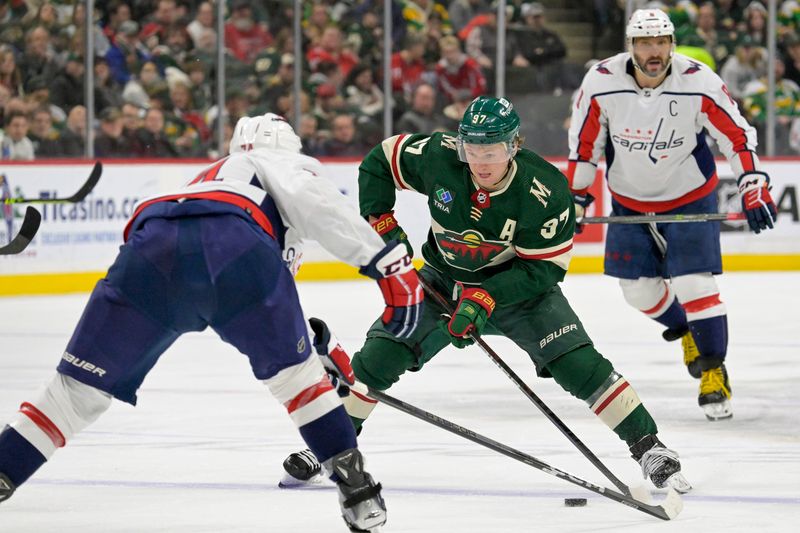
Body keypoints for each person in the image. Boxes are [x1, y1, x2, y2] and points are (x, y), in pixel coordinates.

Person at [0, 112, 427, 533]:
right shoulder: (280, 162)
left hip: (149, 246)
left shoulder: (205, 176)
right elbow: (314, 214)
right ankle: (358, 494)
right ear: (289, 147)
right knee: (298, 382)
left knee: (74, 393)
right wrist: (387, 266)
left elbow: (195, 252)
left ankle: (6, 466)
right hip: (234, 244)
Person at [280, 96, 692, 495]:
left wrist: (485, 298)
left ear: (514, 145)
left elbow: (544, 268)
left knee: (580, 364)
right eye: (472, 149)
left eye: (491, 150)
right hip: (442, 281)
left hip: (521, 293)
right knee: (378, 358)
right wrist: (385, 224)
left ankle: (649, 447)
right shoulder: (439, 157)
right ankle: (329, 447)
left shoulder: (545, 191)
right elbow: (380, 161)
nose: (480, 162)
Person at [565, 9, 777, 422]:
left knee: (694, 283)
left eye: (661, 41)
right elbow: (584, 145)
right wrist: (575, 197)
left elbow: (736, 134)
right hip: (628, 201)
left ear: (672, 44)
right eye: (645, 43)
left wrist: (752, 181)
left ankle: (713, 371)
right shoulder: (601, 82)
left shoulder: (698, 80)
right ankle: (687, 335)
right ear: (631, 46)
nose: (654, 50)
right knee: (637, 291)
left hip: (689, 200)